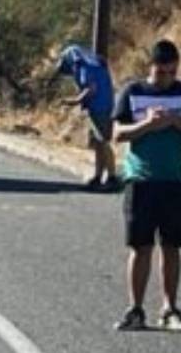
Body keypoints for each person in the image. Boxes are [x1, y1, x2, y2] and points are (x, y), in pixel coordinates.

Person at [111, 39, 181, 332]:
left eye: (172, 72)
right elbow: (117, 134)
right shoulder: (133, 92)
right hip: (141, 180)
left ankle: (169, 308)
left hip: (175, 180)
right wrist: (148, 125)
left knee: (172, 246)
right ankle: (135, 309)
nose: (167, 78)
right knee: (141, 247)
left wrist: (177, 122)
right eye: (162, 72)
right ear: (150, 67)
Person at [57, 44, 118, 192]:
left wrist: (75, 101)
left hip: (99, 108)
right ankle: (98, 176)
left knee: (103, 141)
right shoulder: (94, 62)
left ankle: (112, 177)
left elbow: (91, 88)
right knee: (99, 143)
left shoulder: (83, 65)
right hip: (105, 105)